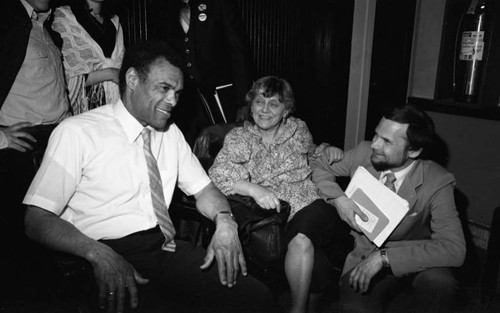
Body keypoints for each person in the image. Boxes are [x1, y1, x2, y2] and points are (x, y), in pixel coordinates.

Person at [23, 40, 274, 313]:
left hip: (163, 246)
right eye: (164, 89)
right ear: (132, 79)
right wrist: (97, 254)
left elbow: (204, 190)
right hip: (100, 251)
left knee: (256, 297)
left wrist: (225, 221)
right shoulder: (77, 133)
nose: (173, 101)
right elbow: (37, 219)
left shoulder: (171, 133)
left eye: (177, 92)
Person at [209, 76, 349, 313]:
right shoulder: (239, 138)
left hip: (309, 203)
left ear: (286, 110)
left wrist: (328, 150)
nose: (264, 110)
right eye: (259, 102)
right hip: (274, 214)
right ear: (250, 106)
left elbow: (312, 153)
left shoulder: (298, 128)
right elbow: (218, 174)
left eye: (274, 104)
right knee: (318, 264)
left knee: (302, 239)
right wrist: (254, 189)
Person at [311, 104, 466, 313]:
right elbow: (318, 166)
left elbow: (454, 249)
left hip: (415, 258)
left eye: (386, 141)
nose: (374, 144)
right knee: (354, 303)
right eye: (376, 135)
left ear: (414, 150)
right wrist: (339, 198)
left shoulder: (437, 180)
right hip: (365, 257)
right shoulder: (364, 153)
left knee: (441, 283)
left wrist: (386, 257)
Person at [0, 0, 70, 300]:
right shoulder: (6, 22)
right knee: (21, 248)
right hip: (20, 147)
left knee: (53, 239)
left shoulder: (47, 29)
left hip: (54, 143)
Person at [149, 0, 254, 146]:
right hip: (183, 100)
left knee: (226, 146)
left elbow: (239, 52)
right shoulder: (164, 8)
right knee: (188, 148)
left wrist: (244, 102)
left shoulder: (220, 4)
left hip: (219, 96)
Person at [52, 0, 125, 114]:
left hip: (114, 107)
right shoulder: (65, 17)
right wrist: (110, 73)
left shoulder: (114, 21)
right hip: (83, 108)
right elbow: (65, 78)